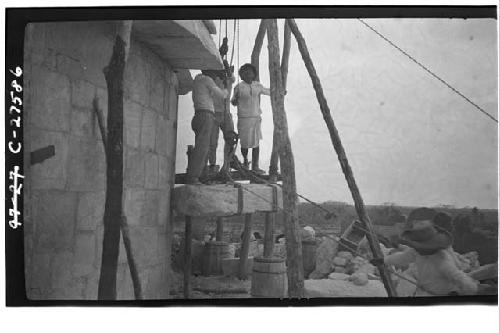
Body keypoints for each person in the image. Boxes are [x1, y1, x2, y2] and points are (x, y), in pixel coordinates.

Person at [371, 209, 478, 296]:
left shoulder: (442, 260)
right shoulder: (416, 252)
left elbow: (462, 280)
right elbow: (402, 258)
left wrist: (459, 293)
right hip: (422, 292)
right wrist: (383, 260)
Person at [186, 70, 234, 184]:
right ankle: (193, 177)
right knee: (202, 149)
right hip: (206, 115)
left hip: (198, 114)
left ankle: (200, 175)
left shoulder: (198, 79)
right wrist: (227, 87)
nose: (216, 75)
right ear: (209, 71)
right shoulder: (207, 80)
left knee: (202, 147)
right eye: (215, 73)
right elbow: (223, 95)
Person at [231, 63, 270, 174]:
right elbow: (233, 102)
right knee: (245, 143)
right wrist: (236, 98)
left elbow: (268, 91)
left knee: (256, 143)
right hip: (244, 118)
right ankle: (245, 161)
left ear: (254, 74)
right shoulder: (238, 87)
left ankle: (255, 166)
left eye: (250, 72)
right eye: (245, 72)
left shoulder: (258, 85)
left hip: (256, 118)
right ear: (241, 75)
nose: (248, 73)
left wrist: (280, 91)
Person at [207, 71, 236, 173]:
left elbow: (232, 77)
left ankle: (226, 165)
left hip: (226, 113)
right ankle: (212, 165)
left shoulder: (228, 79)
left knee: (230, 139)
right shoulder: (210, 80)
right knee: (212, 142)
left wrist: (227, 70)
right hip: (214, 113)